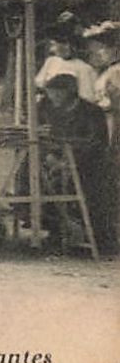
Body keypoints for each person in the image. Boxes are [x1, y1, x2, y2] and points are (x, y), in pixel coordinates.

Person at [39, 74, 117, 256]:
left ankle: (96, 238)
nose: (54, 98)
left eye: (58, 94)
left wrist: (68, 160)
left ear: (71, 93)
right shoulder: (44, 107)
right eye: (51, 93)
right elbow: (38, 134)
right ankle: (54, 230)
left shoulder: (91, 112)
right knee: (30, 175)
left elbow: (96, 143)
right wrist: (50, 155)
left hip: (88, 163)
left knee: (88, 186)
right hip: (53, 158)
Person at [36, 27, 101, 104]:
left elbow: (87, 97)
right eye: (52, 45)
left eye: (54, 45)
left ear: (68, 45)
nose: (52, 49)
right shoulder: (51, 61)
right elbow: (40, 84)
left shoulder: (84, 68)